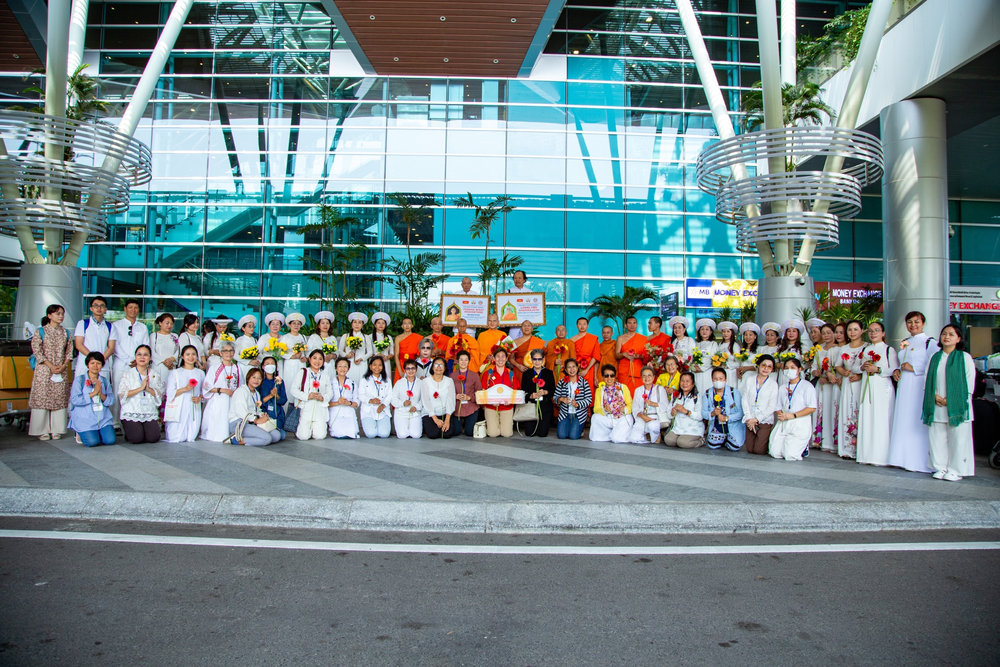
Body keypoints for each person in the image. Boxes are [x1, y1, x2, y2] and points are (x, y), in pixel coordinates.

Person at [921, 323, 976, 481]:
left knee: (958, 437)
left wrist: (950, 399)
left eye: (951, 334)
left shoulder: (964, 358)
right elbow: (927, 380)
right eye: (944, 333)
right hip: (937, 403)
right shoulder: (934, 357)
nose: (946, 337)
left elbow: (969, 383)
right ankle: (940, 467)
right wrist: (936, 397)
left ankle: (955, 470)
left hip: (957, 405)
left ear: (959, 339)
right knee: (937, 437)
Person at [887, 311, 940, 473]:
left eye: (916, 322)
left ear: (923, 323)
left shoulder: (930, 343)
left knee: (917, 420)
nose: (913, 325)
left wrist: (914, 368)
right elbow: (902, 361)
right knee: (903, 418)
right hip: (904, 386)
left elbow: (935, 366)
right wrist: (897, 370)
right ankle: (900, 458)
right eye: (909, 322)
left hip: (919, 386)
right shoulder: (905, 342)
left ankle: (918, 461)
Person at [28, 305, 74, 440]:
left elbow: (69, 352)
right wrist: (50, 365)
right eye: (57, 313)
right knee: (42, 397)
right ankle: (41, 430)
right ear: (49, 316)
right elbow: (37, 351)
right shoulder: (40, 331)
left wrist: (63, 365)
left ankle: (57, 429)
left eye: (62, 314)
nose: (60, 316)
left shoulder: (66, 333)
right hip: (44, 370)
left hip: (61, 369)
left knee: (59, 398)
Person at [856, 321, 898, 466]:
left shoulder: (889, 350)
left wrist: (878, 370)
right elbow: (856, 368)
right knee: (867, 417)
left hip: (882, 387)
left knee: (881, 419)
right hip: (867, 387)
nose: (873, 333)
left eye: (877, 330)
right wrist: (862, 367)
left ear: (883, 333)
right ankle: (866, 455)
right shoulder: (865, 350)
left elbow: (894, 370)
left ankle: (881, 456)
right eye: (871, 331)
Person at [111, 298, 150, 427]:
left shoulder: (142, 327)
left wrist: (139, 360)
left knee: (136, 391)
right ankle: (116, 422)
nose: (133, 310)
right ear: (125, 309)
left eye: (136, 307)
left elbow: (145, 345)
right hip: (121, 364)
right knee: (118, 393)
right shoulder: (116, 325)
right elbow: (114, 345)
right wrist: (129, 360)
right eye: (130, 307)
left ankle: (133, 421)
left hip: (138, 366)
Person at [769, 359, 818, 461]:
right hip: (785, 421)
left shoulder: (807, 386)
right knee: (775, 453)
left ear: (799, 369)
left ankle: (803, 448)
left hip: (799, 421)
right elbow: (778, 407)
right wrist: (781, 414)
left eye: (792, 368)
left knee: (790, 455)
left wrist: (794, 415)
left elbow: (812, 407)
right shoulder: (783, 387)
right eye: (786, 368)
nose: (789, 370)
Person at [117, 344, 164, 444]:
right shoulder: (128, 374)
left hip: (148, 411)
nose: (142, 357)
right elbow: (122, 394)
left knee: (153, 438)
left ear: (150, 357)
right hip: (132, 410)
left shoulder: (154, 374)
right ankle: (131, 430)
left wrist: (148, 389)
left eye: (145, 355)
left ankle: (143, 429)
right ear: (135, 357)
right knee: (136, 439)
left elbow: (159, 394)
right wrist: (140, 388)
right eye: (139, 354)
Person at [69, 352, 116, 446]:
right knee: (92, 442)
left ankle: (97, 432)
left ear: (102, 365)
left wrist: (100, 394)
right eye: (92, 363)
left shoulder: (104, 381)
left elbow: (111, 400)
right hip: (85, 418)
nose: (95, 366)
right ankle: (80, 431)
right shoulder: (80, 380)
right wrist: (93, 393)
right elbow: (74, 400)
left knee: (110, 440)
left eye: (98, 363)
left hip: (102, 418)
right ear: (87, 364)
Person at [835, 320, 866, 459]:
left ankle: (861, 448)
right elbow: (838, 366)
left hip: (862, 383)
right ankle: (847, 448)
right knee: (848, 411)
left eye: (855, 329)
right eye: (850, 330)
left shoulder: (867, 347)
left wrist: (859, 375)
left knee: (860, 412)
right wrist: (843, 373)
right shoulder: (844, 348)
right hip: (848, 383)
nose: (852, 332)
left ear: (862, 331)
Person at [228, 368, 282, 446]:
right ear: (248, 378)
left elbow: (257, 409)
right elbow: (240, 412)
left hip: (251, 422)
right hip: (240, 423)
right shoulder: (241, 391)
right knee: (267, 438)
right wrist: (256, 420)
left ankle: (256, 438)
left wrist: (262, 415)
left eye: (259, 378)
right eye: (254, 377)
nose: (256, 380)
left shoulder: (256, 393)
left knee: (276, 436)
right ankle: (237, 440)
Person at [200, 342, 241, 442]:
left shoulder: (237, 368)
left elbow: (241, 385)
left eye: (231, 351)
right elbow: (207, 386)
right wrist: (221, 390)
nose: (228, 353)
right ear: (220, 353)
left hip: (232, 399)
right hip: (218, 399)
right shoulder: (214, 368)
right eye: (225, 351)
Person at [289, 349, 333, 441]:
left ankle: (313, 428)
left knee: (320, 436)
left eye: (320, 359)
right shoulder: (303, 372)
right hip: (305, 409)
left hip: (320, 410)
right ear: (309, 359)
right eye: (315, 358)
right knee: (303, 437)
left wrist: (323, 397)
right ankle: (302, 428)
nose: (317, 361)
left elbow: (330, 392)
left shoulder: (325, 376)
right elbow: (293, 390)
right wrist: (307, 396)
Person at [164, 345, 205, 443]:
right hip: (180, 406)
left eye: (193, 354)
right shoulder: (176, 373)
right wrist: (185, 389)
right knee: (177, 437)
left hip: (194, 407)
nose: (191, 357)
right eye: (187, 354)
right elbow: (170, 393)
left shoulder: (200, 373)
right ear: (182, 357)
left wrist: (200, 398)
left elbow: (204, 392)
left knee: (191, 436)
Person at [701, 367, 745, 452]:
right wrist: (712, 413)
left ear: (725, 379)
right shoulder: (708, 393)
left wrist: (726, 418)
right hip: (717, 425)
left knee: (734, 446)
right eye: (715, 379)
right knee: (712, 445)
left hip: (732, 426)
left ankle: (727, 438)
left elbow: (740, 413)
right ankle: (723, 438)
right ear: (712, 379)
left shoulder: (733, 392)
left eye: (721, 379)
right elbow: (703, 412)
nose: (718, 381)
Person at [742, 354, 779, 455]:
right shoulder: (750, 380)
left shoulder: (773, 384)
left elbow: (772, 406)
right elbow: (744, 398)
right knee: (750, 449)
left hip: (763, 420)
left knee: (758, 450)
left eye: (769, 366)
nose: (766, 368)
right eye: (763, 365)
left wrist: (757, 419)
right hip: (750, 419)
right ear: (758, 365)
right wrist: (749, 418)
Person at [813, 323, 840, 453]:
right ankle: (820, 440)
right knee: (821, 411)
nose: (826, 335)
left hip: (834, 385)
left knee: (832, 411)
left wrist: (830, 376)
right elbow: (813, 368)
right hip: (822, 385)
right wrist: (816, 373)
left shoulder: (839, 349)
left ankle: (832, 442)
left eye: (829, 332)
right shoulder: (818, 350)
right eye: (823, 333)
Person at [590, 364, 634, 443]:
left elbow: (630, 403)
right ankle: (611, 434)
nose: (609, 378)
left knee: (616, 439)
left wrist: (625, 409)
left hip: (622, 418)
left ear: (615, 376)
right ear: (603, 377)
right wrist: (604, 410)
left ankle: (616, 434)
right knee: (595, 417)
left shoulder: (623, 387)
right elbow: (596, 409)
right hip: (608, 418)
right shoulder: (600, 390)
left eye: (612, 375)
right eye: (606, 376)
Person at [73, 296, 114, 380]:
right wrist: (93, 360)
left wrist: (100, 361)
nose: (99, 308)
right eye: (96, 305)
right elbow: (79, 345)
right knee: (83, 389)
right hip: (84, 365)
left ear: (106, 309)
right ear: (91, 308)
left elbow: (111, 347)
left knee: (102, 390)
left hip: (103, 367)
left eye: (102, 306)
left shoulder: (110, 326)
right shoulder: (82, 324)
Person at [482, 348, 518, 438]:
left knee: (506, 434)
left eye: (503, 357)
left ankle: (502, 425)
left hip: (507, 407)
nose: (500, 359)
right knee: (492, 434)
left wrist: (510, 401)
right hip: (491, 407)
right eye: (498, 356)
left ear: (506, 359)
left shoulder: (511, 374)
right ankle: (493, 425)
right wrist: (491, 402)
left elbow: (516, 391)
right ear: (493, 358)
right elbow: (483, 392)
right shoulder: (488, 374)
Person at [629, 366, 670, 444]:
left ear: (654, 377)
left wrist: (652, 403)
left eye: (649, 375)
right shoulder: (638, 390)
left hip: (654, 417)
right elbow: (634, 407)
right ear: (641, 378)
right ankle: (647, 436)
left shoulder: (660, 389)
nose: (646, 378)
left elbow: (665, 405)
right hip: (642, 417)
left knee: (653, 427)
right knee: (633, 439)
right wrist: (643, 416)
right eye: (644, 376)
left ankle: (655, 435)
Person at [521, 349, 556, 437]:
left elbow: (553, 391)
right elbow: (523, 392)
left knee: (542, 434)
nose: (537, 362)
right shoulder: (527, 374)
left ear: (543, 359)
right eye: (534, 359)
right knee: (529, 433)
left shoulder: (549, 373)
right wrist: (531, 395)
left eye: (539, 359)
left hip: (545, 407)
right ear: (531, 360)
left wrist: (545, 392)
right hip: (531, 407)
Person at [554, 358, 592, 440]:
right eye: (569, 367)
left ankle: (580, 429)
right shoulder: (562, 382)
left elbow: (589, 399)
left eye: (574, 367)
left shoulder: (583, 382)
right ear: (566, 370)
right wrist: (561, 399)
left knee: (573, 436)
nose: (572, 369)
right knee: (562, 436)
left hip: (579, 414)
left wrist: (578, 404)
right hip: (565, 413)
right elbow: (555, 397)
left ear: (577, 368)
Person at [662, 372, 702, 448]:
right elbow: (669, 414)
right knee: (668, 440)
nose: (684, 383)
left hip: (692, 428)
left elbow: (700, 416)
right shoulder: (675, 395)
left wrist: (686, 411)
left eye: (687, 381)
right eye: (682, 381)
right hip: (678, 428)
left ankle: (700, 441)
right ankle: (680, 439)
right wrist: (672, 412)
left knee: (683, 443)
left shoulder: (696, 397)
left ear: (693, 384)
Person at [450, 350, 482, 437]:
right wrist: (455, 396)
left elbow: (479, 392)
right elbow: (448, 392)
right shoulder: (452, 376)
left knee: (469, 433)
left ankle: (466, 426)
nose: (463, 362)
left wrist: (469, 397)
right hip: (457, 407)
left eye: (466, 360)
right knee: (455, 432)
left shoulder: (474, 375)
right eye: (461, 360)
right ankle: (460, 425)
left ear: (469, 361)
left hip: (471, 406)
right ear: (457, 361)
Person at [422, 357, 455, 439]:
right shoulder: (425, 381)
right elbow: (426, 401)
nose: (438, 367)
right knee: (433, 434)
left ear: (445, 368)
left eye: (441, 365)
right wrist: (435, 419)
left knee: (447, 434)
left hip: (444, 413)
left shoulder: (449, 381)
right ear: (432, 367)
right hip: (430, 414)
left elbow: (451, 400)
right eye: (436, 365)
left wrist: (447, 420)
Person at [359, 356, 392, 438]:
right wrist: (371, 400)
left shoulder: (387, 380)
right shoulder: (364, 380)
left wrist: (383, 405)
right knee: (371, 434)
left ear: (383, 367)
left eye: (380, 365)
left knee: (384, 434)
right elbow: (361, 395)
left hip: (382, 411)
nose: (377, 367)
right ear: (370, 366)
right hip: (368, 411)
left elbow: (390, 395)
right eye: (374, 365)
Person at [328, 358, 360, 439]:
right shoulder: (329, 383)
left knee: (352, 433)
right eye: (340, 366)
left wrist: (348, 403)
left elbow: (357, 403)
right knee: (338, 434)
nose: (342, 369)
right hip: (335, 413)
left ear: (348, 369)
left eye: (345, 366)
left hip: (349, 413)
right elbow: (325, 403)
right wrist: (337, 403)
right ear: (336, 368)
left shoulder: (352, 384)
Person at [392, 359, 424, 439]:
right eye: (408, 368)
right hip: (401, 413)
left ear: (416, 369)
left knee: (416, 435)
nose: (410, 371)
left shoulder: (421, 383)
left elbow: (423, 399)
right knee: (402, 435)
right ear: (404, 370)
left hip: (415, 413)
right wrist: (402, 403)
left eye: (413, 368)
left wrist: (416, 407)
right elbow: (393, 399)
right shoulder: (399, 383)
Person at [615, 316, 648, 394]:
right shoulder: (621, 338)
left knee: (638, 394)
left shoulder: (643, 339)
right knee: (624, 394)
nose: (632, 325)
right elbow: (616, 355)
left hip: (638, 370)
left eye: (634, 323)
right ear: (625, 325)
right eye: (629, 323)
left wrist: (638, 356)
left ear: (637, 325)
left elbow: (646, 355)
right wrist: (623, 354)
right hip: (624, 371)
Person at [340, 312, 372, 389]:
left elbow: (370, 352)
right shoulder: (346, 336)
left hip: (362, 363)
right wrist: (346, 355)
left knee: (362, 383)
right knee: (350, 382)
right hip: (350, 363)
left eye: (359, 322)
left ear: (362, 325)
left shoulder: (366, 337)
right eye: (355, 322)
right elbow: (340, 350)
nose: (357, 324)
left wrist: (361, 358)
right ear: (351, 324)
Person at [258, 356, 287, 441]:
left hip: (277, 414)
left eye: (272, 364)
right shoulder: (259, 381)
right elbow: (257, 402)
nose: (270, 365)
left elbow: (283, 401)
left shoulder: (279, 381)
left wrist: (277, 396)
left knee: (283, 435)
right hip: (265, 414)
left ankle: (270, 433)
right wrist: (270, 396)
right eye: (267, 364)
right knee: (275, 435)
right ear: (263, 367)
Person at [150, 314, 179, 396]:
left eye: (171, 323)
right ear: (160, 323)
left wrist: (171, 360)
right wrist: (165, 361)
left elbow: (178, 351)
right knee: (158, 389)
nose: (169, 325)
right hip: (158, 366)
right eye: (167, 323)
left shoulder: (175, 336)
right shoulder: (154, 336)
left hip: (171, 366)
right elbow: (152, 351)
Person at [570, 317, 600, 393]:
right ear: (577, 326)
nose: (582, 326)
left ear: (587, 326)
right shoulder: (571, 340)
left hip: (589, 368)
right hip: (575, 368)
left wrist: (587, 370)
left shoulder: (593, 338)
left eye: (584, 324)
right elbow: (570, 357)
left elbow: (595, 356)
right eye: (580, 324)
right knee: (576, 389)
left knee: (588, 390)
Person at [308, 311, 338, 382]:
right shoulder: (314, 337)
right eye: (323, 323)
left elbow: (337, 352)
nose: (325, 325)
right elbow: (308, 352)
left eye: (327, 323)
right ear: (318, 325)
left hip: (330, 365)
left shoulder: (332, 338)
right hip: (317, 366)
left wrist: (332, 355)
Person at [280, 313, 309, 389]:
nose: (296, 326)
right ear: (289, 325)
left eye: (298, 324)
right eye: (294, 323)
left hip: (301, 364)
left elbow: (306, 352)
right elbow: (280, 352)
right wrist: (292, 356)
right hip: (290, 364)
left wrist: (305, 358)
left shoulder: (303, 337)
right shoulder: (285, 337)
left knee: (301, 381)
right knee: (290, 381)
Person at [691, 318, 719, 394]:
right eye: (702, 329)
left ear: (711, 332)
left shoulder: (713, 344)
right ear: (699, 331)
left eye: (707, 329)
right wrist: (693, 367)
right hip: (695, 372)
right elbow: (691, 357)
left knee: (706, 392)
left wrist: (701, 367)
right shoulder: (695, 343)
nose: (704, 331)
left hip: (707, 372)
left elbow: (713, 359)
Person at [394, 316, 423, 382]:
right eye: (405, 323)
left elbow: (420, 355)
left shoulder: (417, 337)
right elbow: (396, 355)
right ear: (402, 326)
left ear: (412, 325)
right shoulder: (398, 338)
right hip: (401, 364)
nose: (407, 325)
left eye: (409, 323)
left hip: (413, 363)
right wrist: (400, 370)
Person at [505, 270, 531, 340]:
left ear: (524, 280)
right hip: (513, 324)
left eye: (519, 278)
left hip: (526, 324)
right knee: (512, 344)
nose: (517, 280)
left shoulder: (530, 293)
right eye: (515, 278)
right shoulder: (508, 292)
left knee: (525, 343)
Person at [234, 314, 260, 380]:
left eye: (253, 327)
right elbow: (235, 355)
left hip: (253, 367)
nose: (252, 328)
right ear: (243, 328)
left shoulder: (255, 340)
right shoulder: (240, 340)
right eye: (249, 326)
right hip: (243, 367)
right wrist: (248, 362)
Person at [370, 312, 395, 381]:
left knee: (386, 380)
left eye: (383, 323)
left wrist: (386, 357)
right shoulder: (370, 337)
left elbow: (392, 353)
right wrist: (375, 356)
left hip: (385, 362)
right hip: (374, 363)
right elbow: (367, 352)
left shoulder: (389, 337)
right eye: (378, 323)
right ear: (375, 325)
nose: (381, 325)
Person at [717, 321, 741, 388]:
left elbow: (738, 363)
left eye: (728, 331)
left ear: (732, 333)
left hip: (731, 373)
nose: (726, 334)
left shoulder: (735, 345)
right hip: (721, 372)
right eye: (724, 331)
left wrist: (727, 365)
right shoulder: (720, 345)